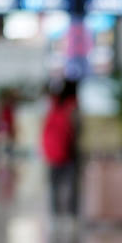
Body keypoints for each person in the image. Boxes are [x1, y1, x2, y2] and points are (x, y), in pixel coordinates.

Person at [40, 79, 82, 224]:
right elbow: (77, 129)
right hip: (68, 151)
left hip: (53, 152)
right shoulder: (73, 106)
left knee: (54, 182)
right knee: (71, 182)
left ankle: (55, 211)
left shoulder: (53, 104)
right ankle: (71, 212)